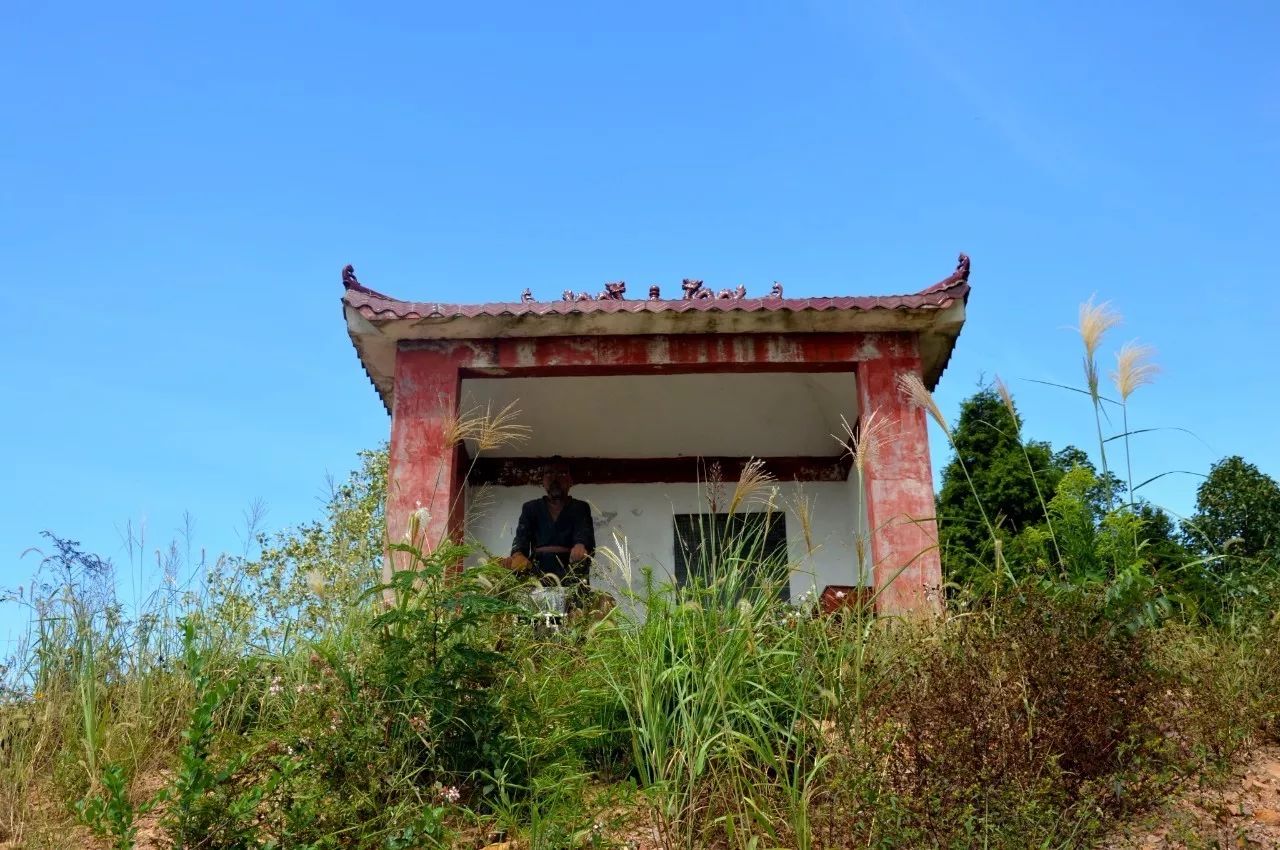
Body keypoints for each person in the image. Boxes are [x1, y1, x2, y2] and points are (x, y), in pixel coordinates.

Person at [505, 459, 595, 597]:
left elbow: (584, 532)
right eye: (549, 473)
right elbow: (521, 537)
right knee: (534, 606)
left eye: (562, 473)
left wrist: (580, 545)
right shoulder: (531, 508)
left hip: (570, 566)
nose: (555, 478)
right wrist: (518, 554)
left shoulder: (580, 508)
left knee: (575, 607)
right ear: (542, 481)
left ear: (571, 481)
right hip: (538, 568)